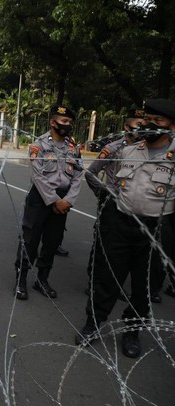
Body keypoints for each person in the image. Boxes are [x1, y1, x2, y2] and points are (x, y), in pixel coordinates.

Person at [76, 98, 175, 359]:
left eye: (158, 121)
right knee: (107, 278)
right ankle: (93, 324)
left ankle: (131, 332)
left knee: (143, 288)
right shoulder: (128, 152)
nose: (150, 125)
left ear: (171, 126)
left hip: (154, 231)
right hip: (121, 225)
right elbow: (104, 179)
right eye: (147, 120)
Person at [14, 105, 83, 300]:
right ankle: (21, 279)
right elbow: (37, 176)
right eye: (63, 121)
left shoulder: (73, 148)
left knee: (52, 242)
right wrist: (54, 200)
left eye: (70, 122)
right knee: (30, 240)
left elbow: (78, 176)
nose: (67, 125)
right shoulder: (39, 145)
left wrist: (68, 200)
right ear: (53, 122)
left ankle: (42, 280)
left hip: (62, 202)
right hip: (40, 199)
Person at [84, 107, 144, 299]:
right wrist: (102, 193)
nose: (142, 129)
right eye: (138, 125)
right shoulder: (113, 148)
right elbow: (90, 172)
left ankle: (115, 283)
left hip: (132, 206)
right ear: (127, 126)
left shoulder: (144, 151)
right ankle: (93, 282)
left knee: (124, 249)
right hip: (112, 202)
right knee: (102, 243)